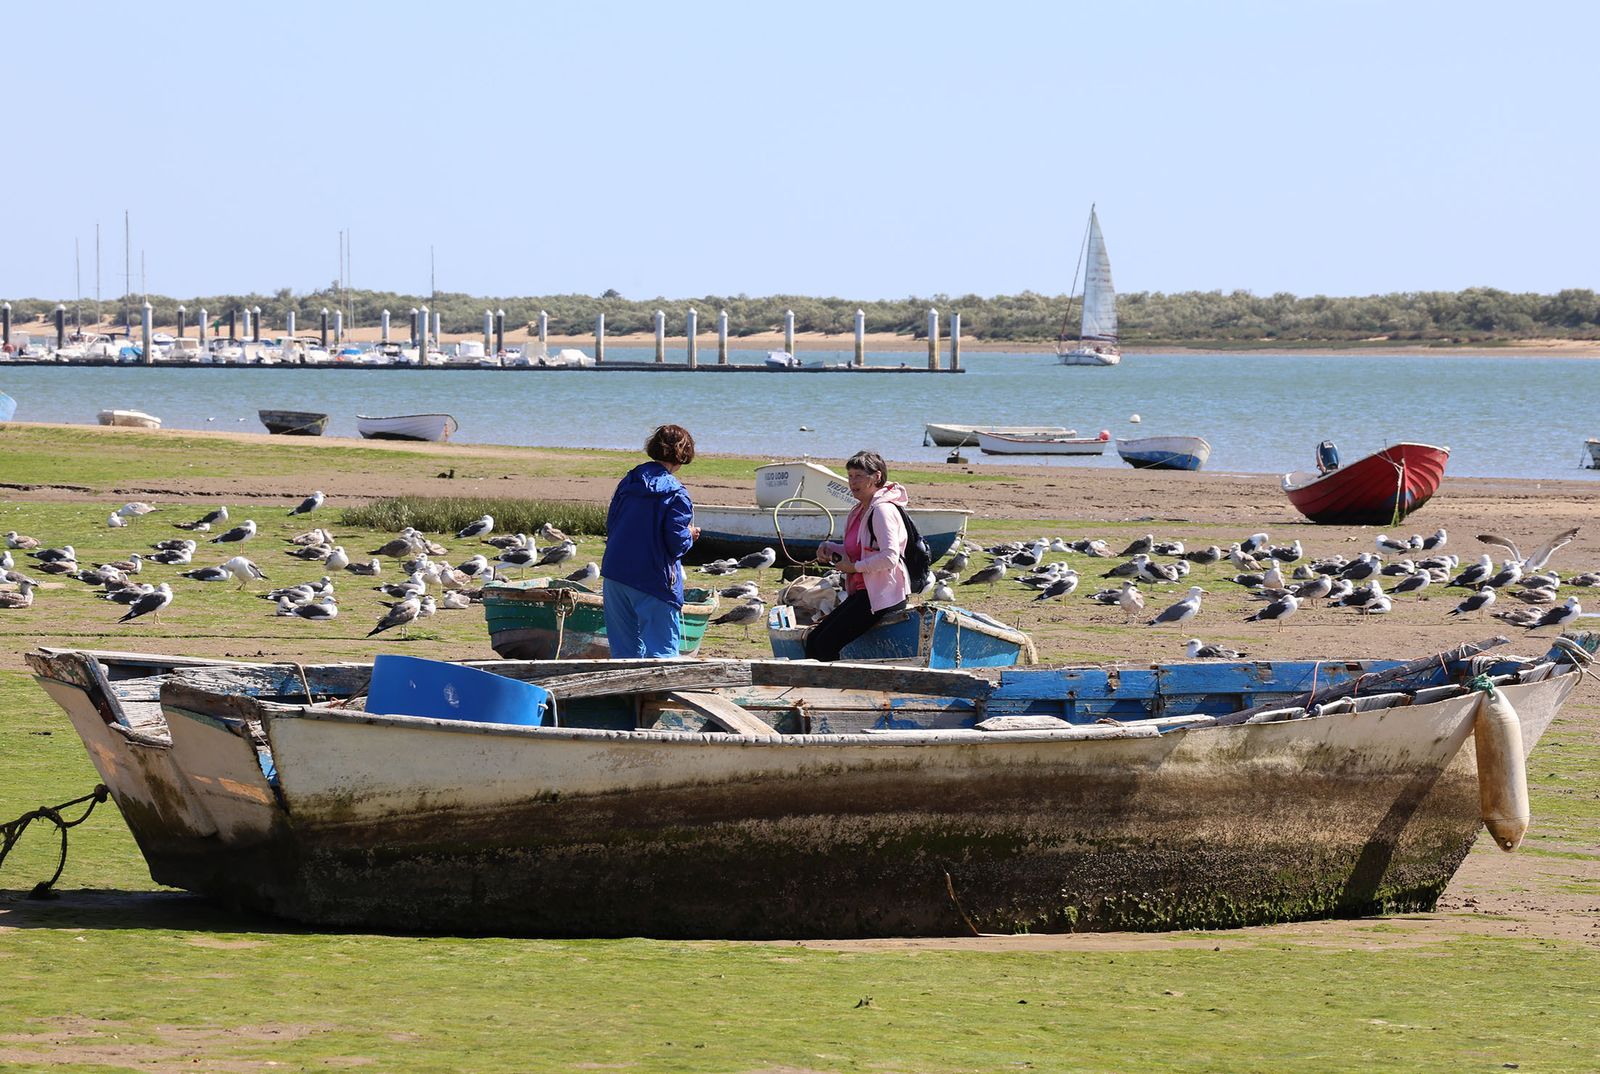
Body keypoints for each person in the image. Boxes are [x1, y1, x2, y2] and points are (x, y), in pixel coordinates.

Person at [600, 424, 701, 658]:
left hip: (616, 572)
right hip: (654, 578)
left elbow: (613, 523)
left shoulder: (629, 481)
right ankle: (658, 695)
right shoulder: (676, 493)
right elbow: (676, 543)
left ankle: (627, 695)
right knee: (662, 654)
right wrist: (691, 535)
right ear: (683, 454)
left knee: (624, 654)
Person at [804, 450, 911, 661]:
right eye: (850, 476)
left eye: (859, 476)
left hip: (884, 595)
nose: (852, 482)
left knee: (824, 643)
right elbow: (858, 550)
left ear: (877, 477)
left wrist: (854, 568)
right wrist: (830, 548)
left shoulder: (882, 511)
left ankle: (832, 691)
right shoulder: (859, 510)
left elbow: (890, 557)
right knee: (814, 640)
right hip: (864, 593)